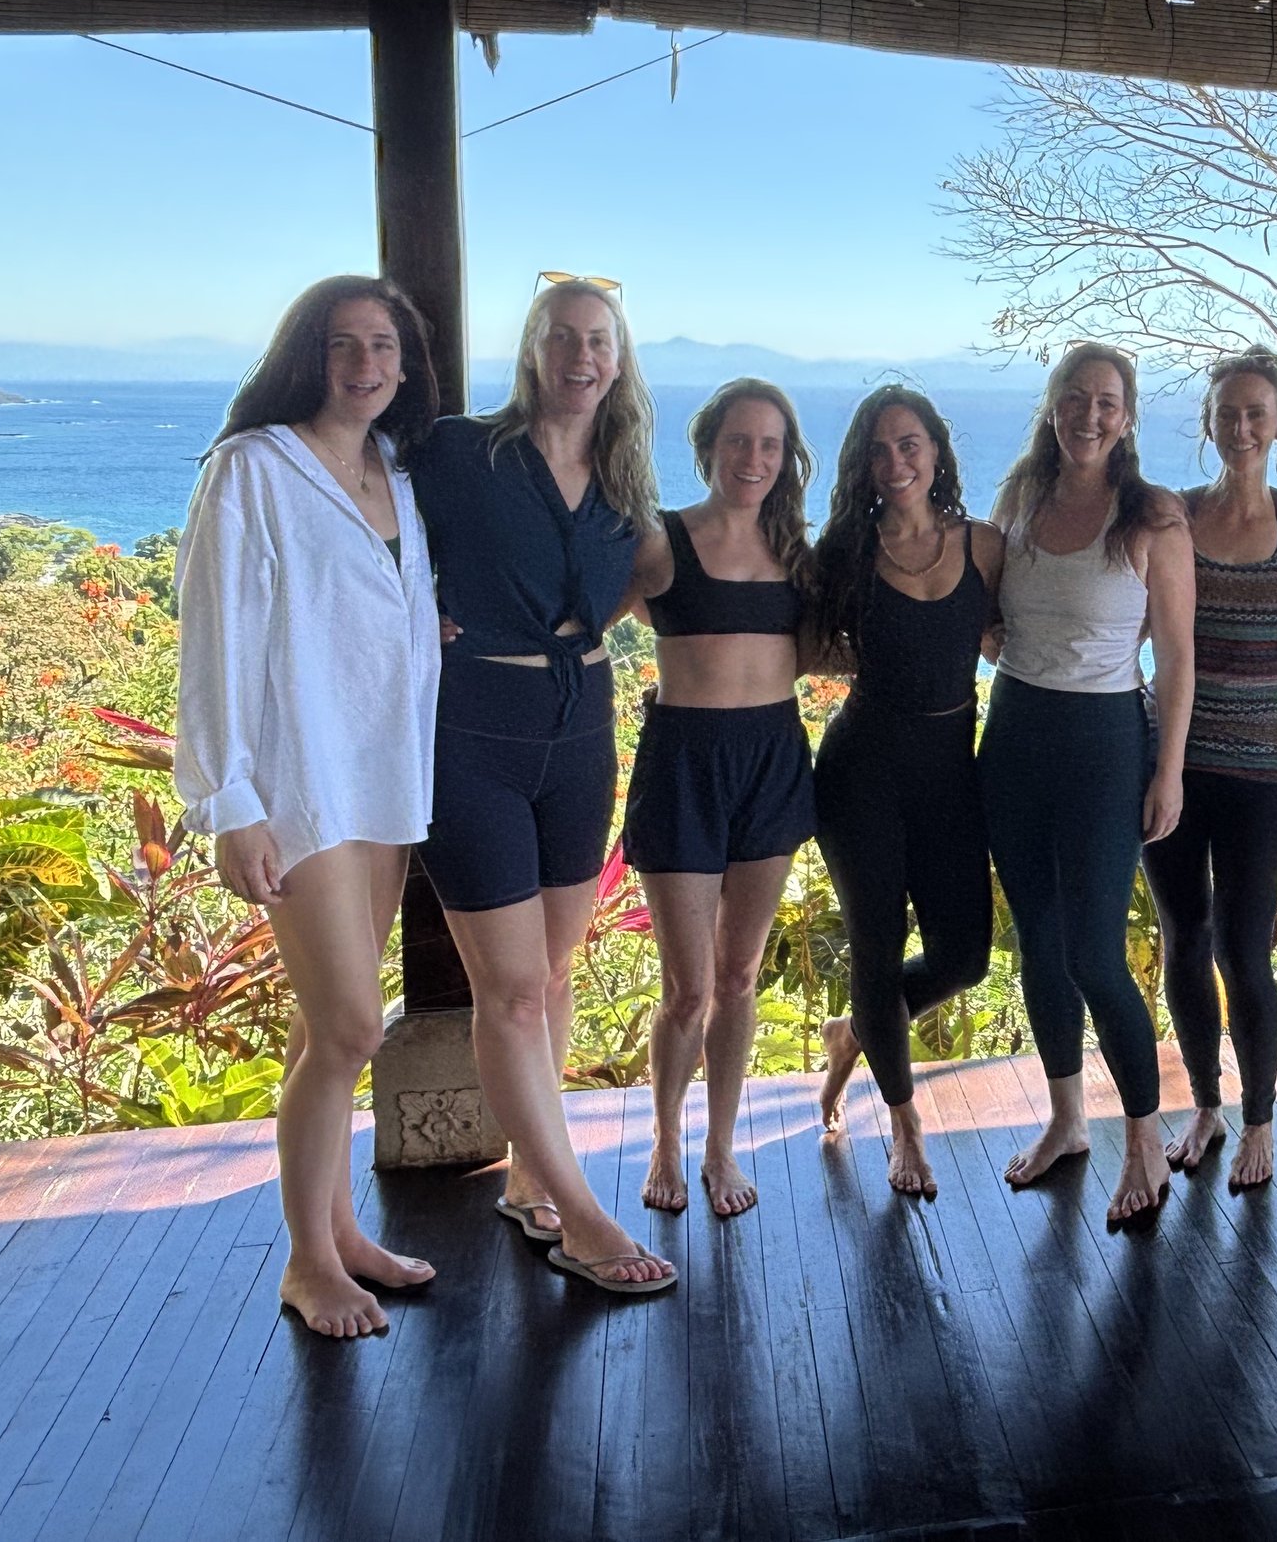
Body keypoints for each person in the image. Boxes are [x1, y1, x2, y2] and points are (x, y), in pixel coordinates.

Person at [176, 276, 443, 1338]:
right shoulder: (254, 468)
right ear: (308, 355)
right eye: (343, 344)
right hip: (299, 783)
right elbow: (215, 638)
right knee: (349, 1027)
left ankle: (341, 1234)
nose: (365, 364)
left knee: (320, 1028)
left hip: (381, 780)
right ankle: (306, 1263)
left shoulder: (394, 474)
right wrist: (230, 800)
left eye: (383, 344)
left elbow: (381, 609)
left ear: (405, 364)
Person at [408, 277, 673, 1294]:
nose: (581, 355)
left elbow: (651, 579)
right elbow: (356, 514)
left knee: (552, 975)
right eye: (563, 336)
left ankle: (530, 1181)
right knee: (513, 989)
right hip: (473, 731)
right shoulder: (457, 452)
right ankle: (581, 1213)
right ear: (532, 348)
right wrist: (403, 609)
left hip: (581, 729)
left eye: (599, 340)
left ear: (618, 358)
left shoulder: (624, 476)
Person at [983, 343, 1194, 1228]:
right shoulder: (1019, 500)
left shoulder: (1152, 518)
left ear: (1128, 416)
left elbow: (1178, 657)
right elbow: (988, 615)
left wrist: (1168, 769)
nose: (1090, 414)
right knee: (1039, 943)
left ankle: (1143, 1138)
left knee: (1095, 955)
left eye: (1107, 401)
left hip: (1106, 742)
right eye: (1075, 397)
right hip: (1015, 734)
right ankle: (1067, 1119)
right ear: (1053, 406)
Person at [620, 379, 818, 1218]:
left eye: (770, 444)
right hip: (683, 764)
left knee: (739, 975)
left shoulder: (798, 553)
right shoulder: (658, 540)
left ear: (787, 457)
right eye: (739, 440)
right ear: (707, 448)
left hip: (772, 758)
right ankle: (666, 1139)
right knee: (688, 987)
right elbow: (578, 617)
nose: (754, 458)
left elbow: (831, 645)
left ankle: (721, 1145)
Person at [809, 386, 1005, 1200]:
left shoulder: (985, 544)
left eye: (910, 443)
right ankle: (904, 1124)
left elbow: (1024, 630)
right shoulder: (844, 553)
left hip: (951, 770)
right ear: (863, 464)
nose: (896, 462)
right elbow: (801, 643)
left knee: (966, 954)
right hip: (862, 769)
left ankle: (857, 1028)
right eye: (880, 449)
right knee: (876, 947)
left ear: (936, 451)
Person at [1140, 351, 1277, 1192]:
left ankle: (1260, 1118)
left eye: (1257, 413)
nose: (1241, 428)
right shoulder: (1173, 514)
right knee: (1184, 938)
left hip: (1258, 767)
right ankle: (1206, 1104)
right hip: (1167, 758)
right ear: (1209, 422)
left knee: (1246, 950)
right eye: (1227, 413)